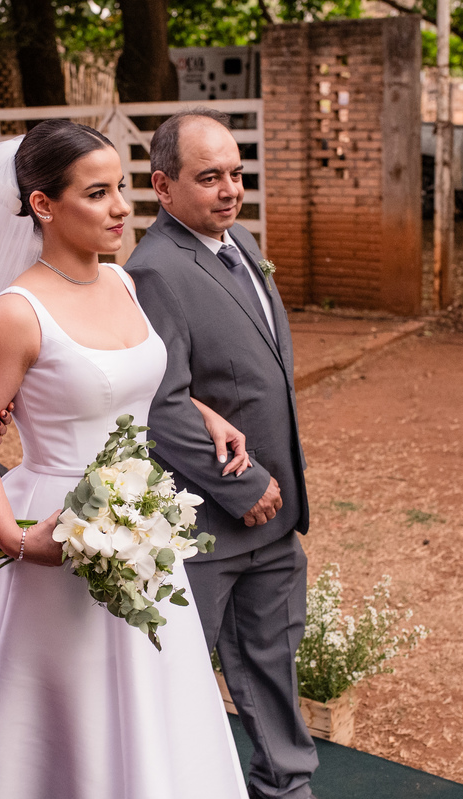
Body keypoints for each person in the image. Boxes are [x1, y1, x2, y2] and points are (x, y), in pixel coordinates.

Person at [0, 119, 248, 799]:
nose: (121, 207)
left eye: (121, 188)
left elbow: (124, 383)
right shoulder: (13, 315)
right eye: (97, 194)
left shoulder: (122, 283)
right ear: (43, 204)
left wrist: (201, 412)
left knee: (153, 698)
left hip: (143, 523)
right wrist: (15, 538)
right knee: (67, 712)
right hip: (57, 529)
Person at [124, 108, 319, 799]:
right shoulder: (153, 272)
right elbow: (159, 401)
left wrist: (278, 486)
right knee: (180, 681)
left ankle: (287, 788)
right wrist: (242, 486)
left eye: (236, 173)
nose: (230, 189)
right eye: (209, 177)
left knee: (274, 665)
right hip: (208, 524)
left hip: (275, 515)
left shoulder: (242, 241)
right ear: (163, 186)